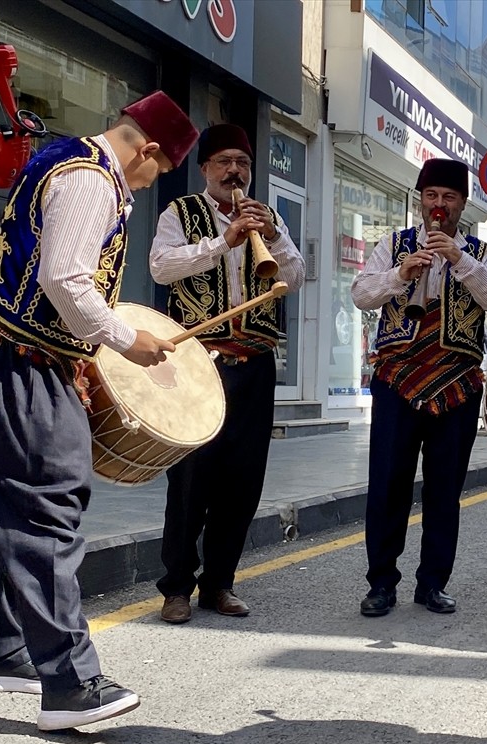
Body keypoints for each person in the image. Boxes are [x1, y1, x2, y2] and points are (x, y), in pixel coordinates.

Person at [0, 91, 198, 731]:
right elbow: (66, 280)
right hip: (19, 354)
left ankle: (5, 651)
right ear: (145, 149)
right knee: (48, 500)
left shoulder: (69, 158)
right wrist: (122, 339)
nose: (150, 184)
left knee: (11, 502)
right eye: (157, 171)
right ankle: (70, 680)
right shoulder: (93, 178)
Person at [150, 125, 306, 624]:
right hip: (199, 363)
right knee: (191, 479)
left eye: (241, 161)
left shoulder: (269, 217)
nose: (234, 171)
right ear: (205, 170)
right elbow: (160, 268)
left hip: (254, 365)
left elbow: (296, 276)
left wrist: (273, 237)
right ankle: (176, 587)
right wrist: (222, 242)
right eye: (223, 162)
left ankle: (220, 584)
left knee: (242, 482)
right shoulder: (180, 213)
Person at [351, 158, 487, 617]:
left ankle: (432, 584)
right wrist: (401, 274)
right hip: (397, 380)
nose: (439, 205)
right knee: (387, 486)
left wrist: (458, 260)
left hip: (457, 386)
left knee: (444, 492)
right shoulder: (394, 245)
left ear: (463, 204)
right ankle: (381, 583)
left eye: (449, 197)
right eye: (431, 196)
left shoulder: (480, 254)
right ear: (421, 200)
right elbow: (361, 294)